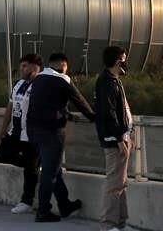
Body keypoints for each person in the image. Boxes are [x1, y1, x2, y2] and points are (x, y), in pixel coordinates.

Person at [27, 51, 95, 223]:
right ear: (63, 66)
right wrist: (95, 118)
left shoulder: (39, 79)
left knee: (54, 169)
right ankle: (43, 211)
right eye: (66, 68)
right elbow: (80, 101)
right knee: (50, 173)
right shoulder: (62, 79)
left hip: (34, 131)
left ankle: (64, 205)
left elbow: (49, 104)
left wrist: (70, 116)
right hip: (52, 133)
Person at [0, 53, 43, 215]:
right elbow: (10, 107)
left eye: (25, 66)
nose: (21, 69)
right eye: (21, 66)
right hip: (15, 132)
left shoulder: (40, 84)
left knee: (30, 169)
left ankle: (27, 201)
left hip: (31, 135)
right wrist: (3, 128)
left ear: (34, 67)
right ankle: (33, 165)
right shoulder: (18, 84)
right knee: (2, 155)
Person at [95, 46, 132, 231]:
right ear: (118, 61)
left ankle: (120, 222)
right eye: (124, 59)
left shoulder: (113, 80)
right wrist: (119, 140)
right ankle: (108, 224)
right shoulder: (107, 82)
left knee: (121, 182)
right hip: (115, 140)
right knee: (114, 183)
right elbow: (107, 113)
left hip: (121, 137)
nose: (126, 62)